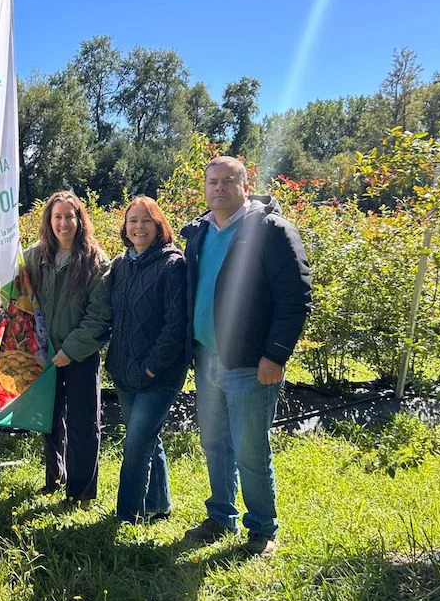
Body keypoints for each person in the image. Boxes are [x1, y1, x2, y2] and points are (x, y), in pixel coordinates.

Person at [181, 155, 312, 556]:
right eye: (212, 181)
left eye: (227, 181)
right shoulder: (200, 232)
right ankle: (221, 516)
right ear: (204, 188)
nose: (218, 188)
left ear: (245, 184)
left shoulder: (270, 231)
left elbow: (296, 298)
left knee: (250, 447)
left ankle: (262, 528)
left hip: (250, 363)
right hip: (206, 357)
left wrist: (274, 355)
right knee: (214, 443)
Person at [24, 191, 111, 509]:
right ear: (49, 220)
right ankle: (54, 477)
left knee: (82, 423)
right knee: (49, 419)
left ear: (79, 220)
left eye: (69, 216)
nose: (63, 223)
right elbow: (19, 300)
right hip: (45, 355)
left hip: (80, 355)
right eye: (57, 217)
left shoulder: (94, 261)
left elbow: (99, 316)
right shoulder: (35, 257)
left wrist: (71, 350)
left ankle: (81, 491)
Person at [105, 196, 187, 524]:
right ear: (125, 227)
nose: (138, 227)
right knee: (147, 437)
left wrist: (152, 366)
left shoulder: (173, 265)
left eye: (146, 220)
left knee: (137, 443)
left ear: (158, 226)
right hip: (125, 371)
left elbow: (176, 325)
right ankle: (160, 504)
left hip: (159, 373)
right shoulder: (121, 264)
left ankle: (127, 516)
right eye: (133, 220)